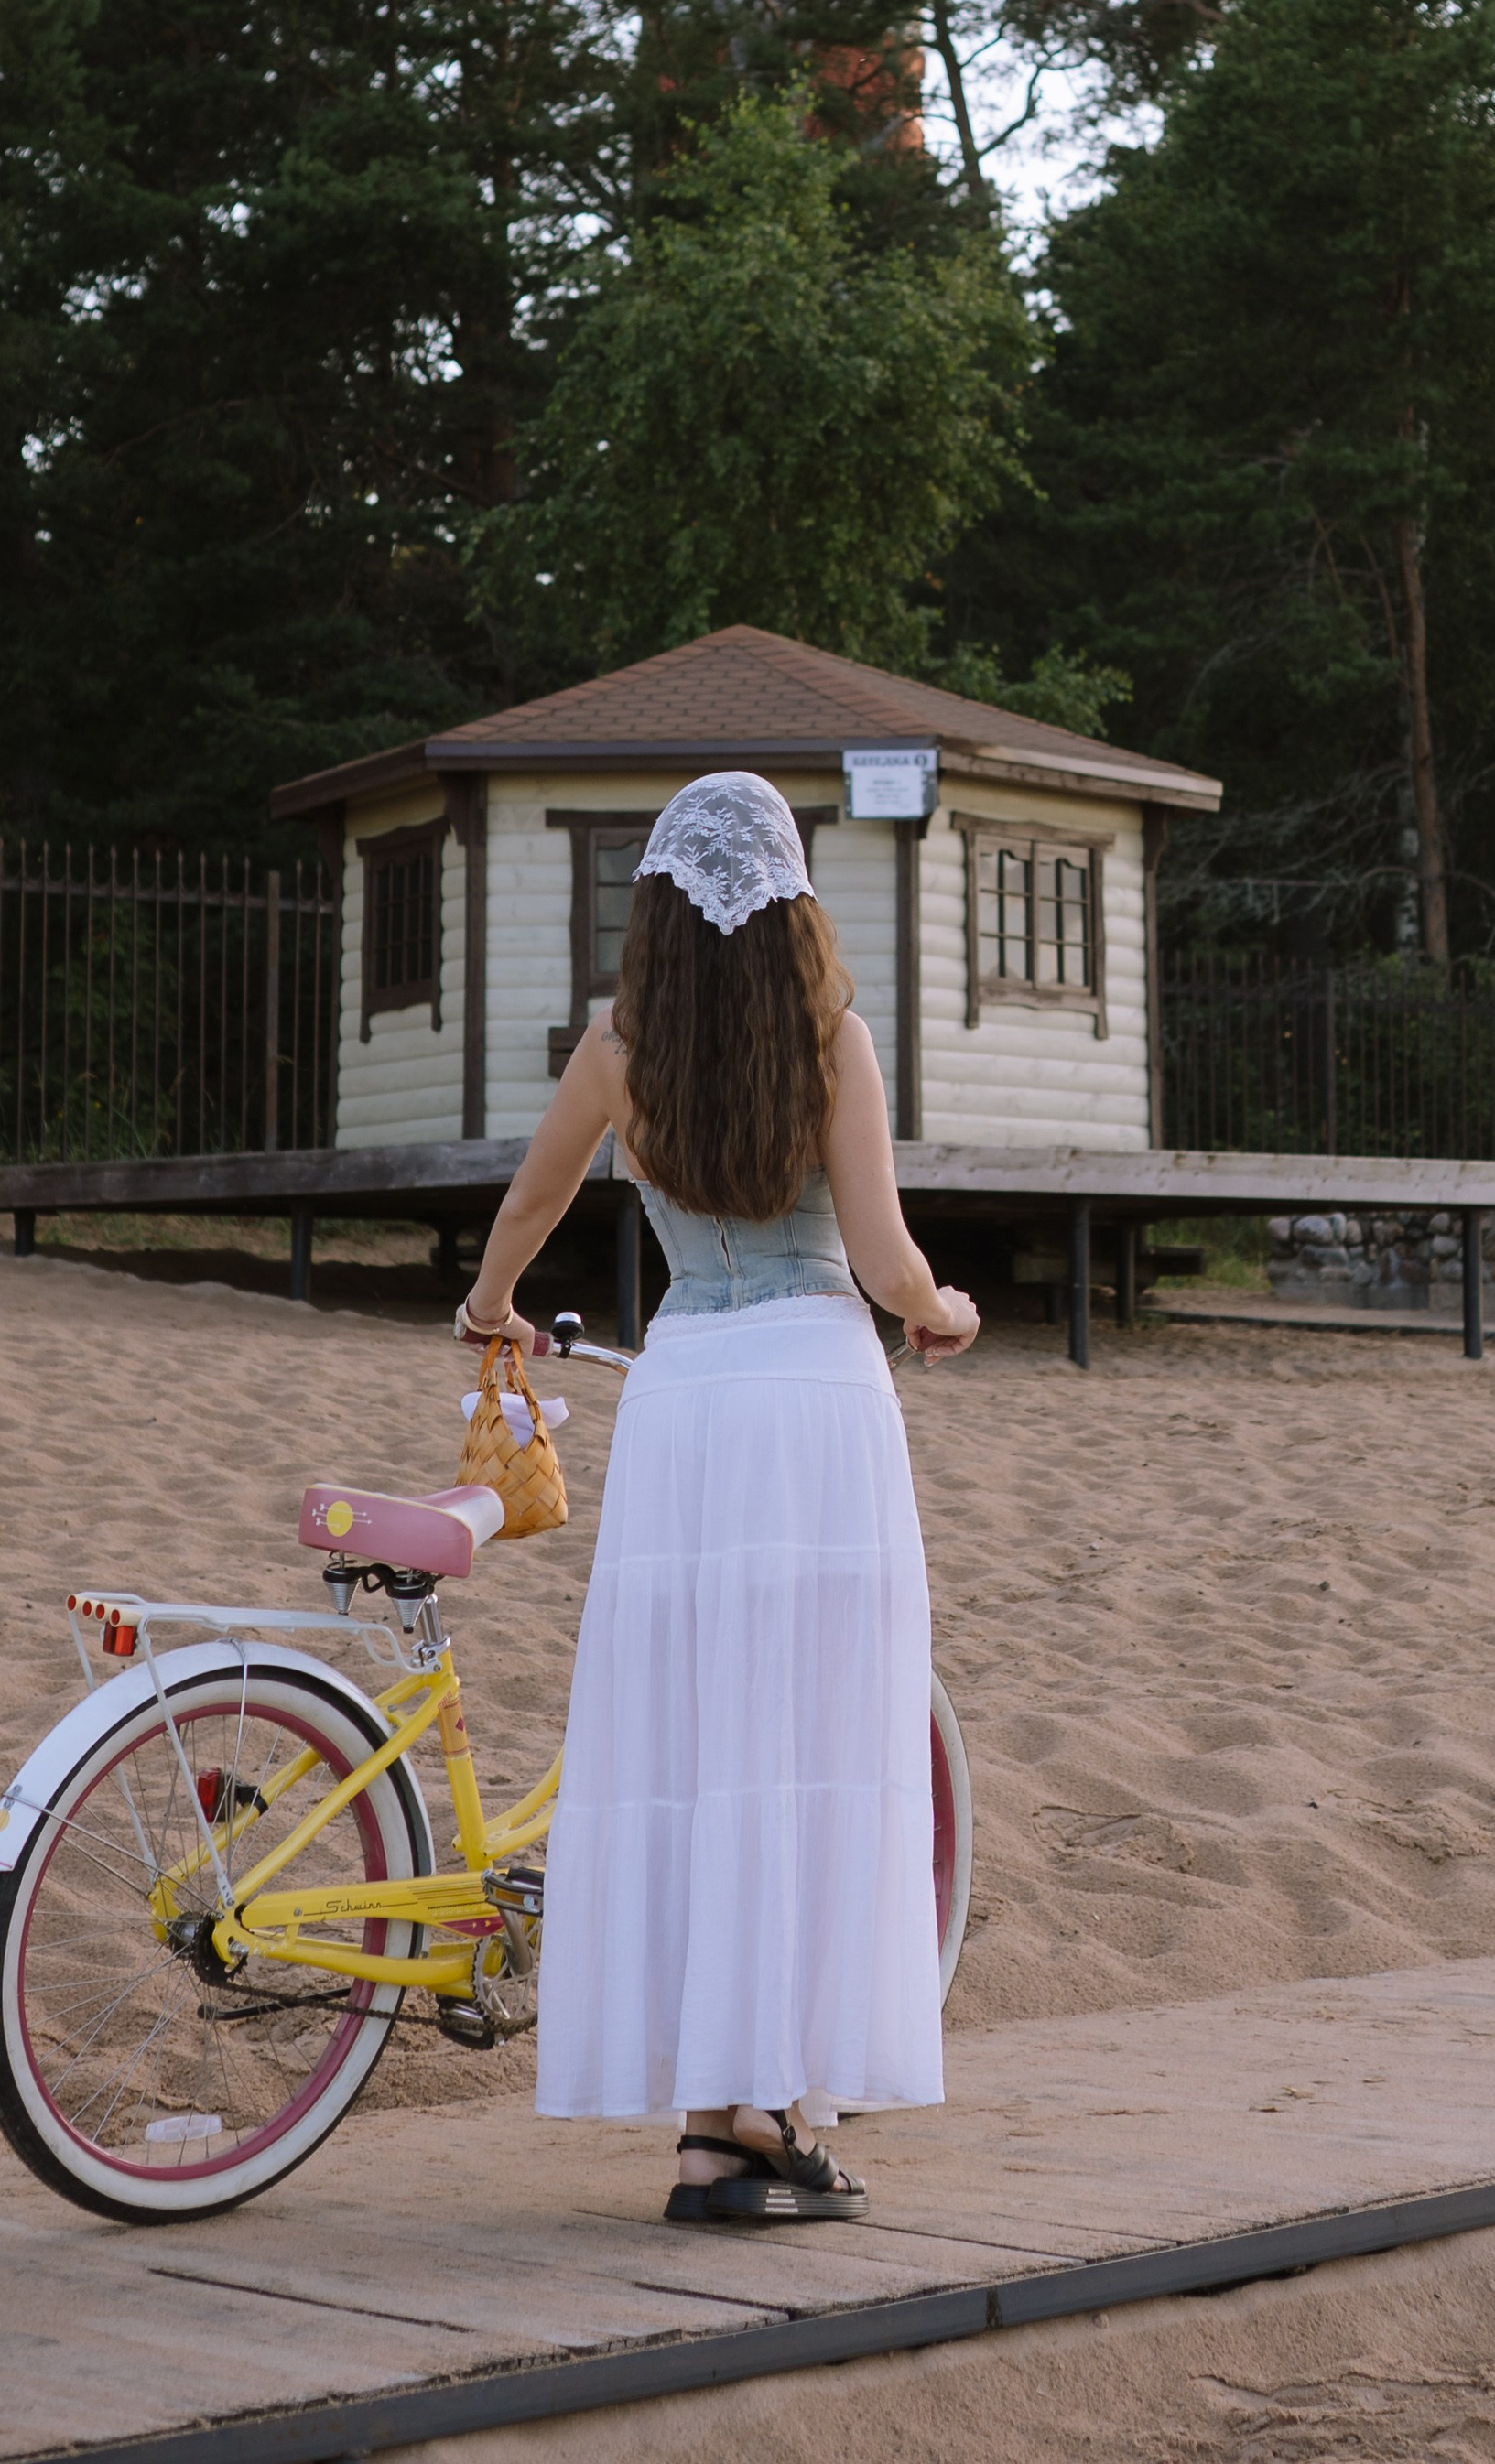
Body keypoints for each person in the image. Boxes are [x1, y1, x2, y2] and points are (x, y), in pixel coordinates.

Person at [453, 770, 980, 2224]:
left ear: (661, 907)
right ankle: (774, 2106)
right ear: (794, 899)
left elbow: (530, 1202)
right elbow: (881, 1258)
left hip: (687, 1402)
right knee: (805, 1741)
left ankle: (713, 2126)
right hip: (816, 1399)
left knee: (697, 1744)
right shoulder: (834, 1042)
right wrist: (944, 1310)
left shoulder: (620, 1044)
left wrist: (490, 1307)